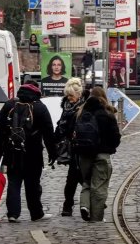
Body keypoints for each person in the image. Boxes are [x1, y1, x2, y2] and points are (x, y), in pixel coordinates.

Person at [0, 84, 57, 222]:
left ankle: (13, 214)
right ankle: (36, 213)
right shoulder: (40, 107)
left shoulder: (10, 105)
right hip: (33, 152)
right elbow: (48, 133)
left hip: (12, 150)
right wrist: (53, 153)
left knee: (14, 182)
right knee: (32, 183)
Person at [75, 87, 121, 222]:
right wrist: (110, 146)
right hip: (102, 154)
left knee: (87, 182)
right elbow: (115, 138)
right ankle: (96, 218)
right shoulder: (107, 114)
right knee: (99, 186)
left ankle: (84, 206)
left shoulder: (81, 112)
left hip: (84, 154)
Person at [54, 78, 86, 216]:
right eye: (67, 95)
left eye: (71, 96)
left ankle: (92, 200)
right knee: (74, 178)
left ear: (79, 95)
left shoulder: (84, 107)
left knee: (78, 177)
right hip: (71, 147)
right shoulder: (66, 106)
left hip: (82, 146)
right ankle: (68, 204)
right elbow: (62, 125)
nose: (69, 98)